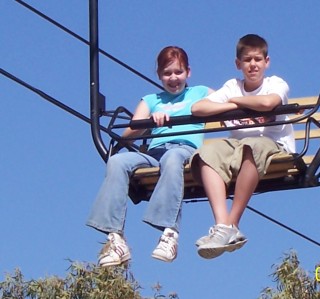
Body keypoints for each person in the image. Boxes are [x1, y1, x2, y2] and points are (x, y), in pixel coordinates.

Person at [86, 46, 213, 266]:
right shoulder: (152, 99)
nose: (173, 78)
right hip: (154, 153)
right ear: (159, 75)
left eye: (178, 72)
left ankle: (169, 232)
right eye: (167, 73)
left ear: (188, 72)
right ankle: (115, 238)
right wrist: (149, 122)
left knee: (172, 158)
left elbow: (232, 100)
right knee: (117, 161)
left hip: (185, 149)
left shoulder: (200, 92)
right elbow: (130, 134)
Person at [190, 34, 295, 259]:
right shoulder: (232, 85)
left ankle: (232, 222)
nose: (253, 64)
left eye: (258, 59)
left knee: (252, 146)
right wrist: (230, 100)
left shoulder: (275, 83)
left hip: (274, 146)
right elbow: (198, 108)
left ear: (267, 62)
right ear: (238, 64)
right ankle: (222, 225)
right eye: (247, 60)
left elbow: (268, 103)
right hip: (239, 147)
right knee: (206, 151)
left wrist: (234, 102)